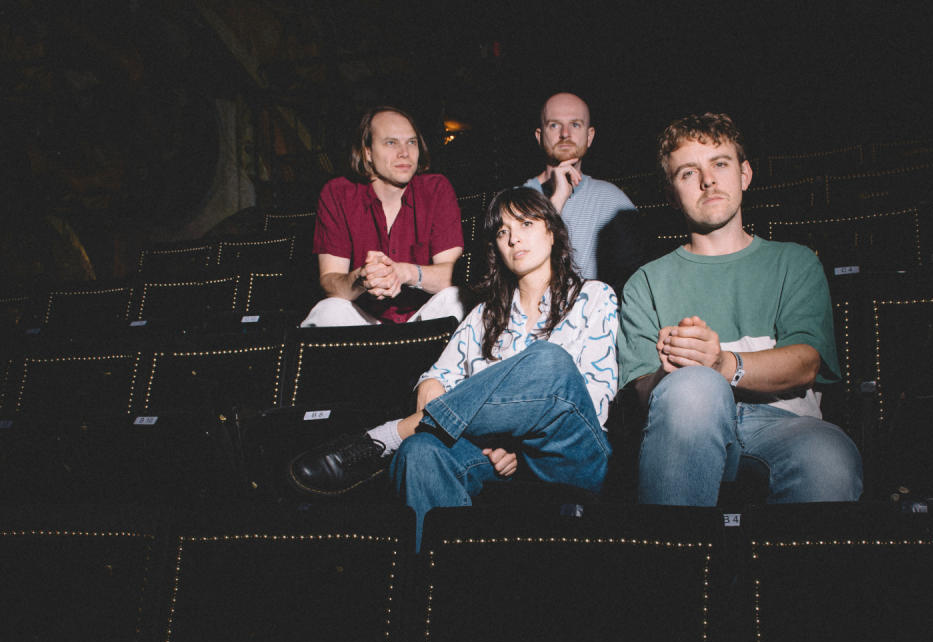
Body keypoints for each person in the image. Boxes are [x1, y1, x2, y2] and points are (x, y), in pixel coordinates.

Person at [289, 187, 619, 547]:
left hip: (570, 455)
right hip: (492, 460)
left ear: (552, 231)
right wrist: (493, 441)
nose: (514, 238)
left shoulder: (594, 296)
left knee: (549, 361)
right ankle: (442, 585)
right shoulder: (484, 314)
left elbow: (595, 402)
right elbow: (433, 380)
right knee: (419, 453)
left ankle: (386, 436)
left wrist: (516, 445)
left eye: (526, 223)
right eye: (502, 231)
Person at [617, 112, 862, 506]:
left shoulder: (794, 263)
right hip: (687, 426)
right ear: (670, 193)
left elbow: (806, 363)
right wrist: (670, 375)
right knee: (693, 388)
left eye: (720, 164)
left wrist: (721, 364)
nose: (708, 180)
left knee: (828, 459)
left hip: (785, 426)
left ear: (745, 174)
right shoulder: (647, 281)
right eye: (687, 173)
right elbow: (640, 392)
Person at [300, 106, 465, 326]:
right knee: (327, 310)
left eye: (411, 142)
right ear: (367, 152)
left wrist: (405, 272)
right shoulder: (338, 193)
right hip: (363, 321)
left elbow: (449, 275)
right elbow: (330, 281)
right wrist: (361, 279)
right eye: (391, 142)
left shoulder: (436, 189)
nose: (404, 152)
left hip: (423, 318)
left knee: (455, 299)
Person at [524, 92, 640, 286]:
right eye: (554, 125)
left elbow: (637, 278)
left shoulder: (613, 201)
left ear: (589, 136)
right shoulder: (514, 202)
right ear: (539, 136)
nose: (565, 134)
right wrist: (557, 200)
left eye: (575, 124)